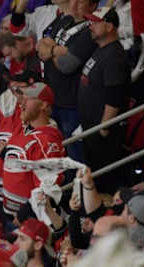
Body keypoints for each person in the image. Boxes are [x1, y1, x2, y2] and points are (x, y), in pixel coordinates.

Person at [35, 0, 99, 161]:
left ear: (92, 6)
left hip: (72, 104)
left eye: (80, 2)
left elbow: (67, 65)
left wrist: (50, 49)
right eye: (73, 1)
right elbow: (39, 46)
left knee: (73, 154)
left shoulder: (89, 31)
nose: (74, 5)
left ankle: (77, 185)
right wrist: (55, 50)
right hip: (53, 99)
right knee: (54, 149)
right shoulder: (64, 21)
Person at [77, 7, 131, 193]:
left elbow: (114, 97)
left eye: (95, 22)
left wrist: (104, 128)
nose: (90, 26)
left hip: (103, 135)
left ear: (109, 26)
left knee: (103, 182)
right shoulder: (101, 50)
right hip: (90, 128)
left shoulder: (114, 56)